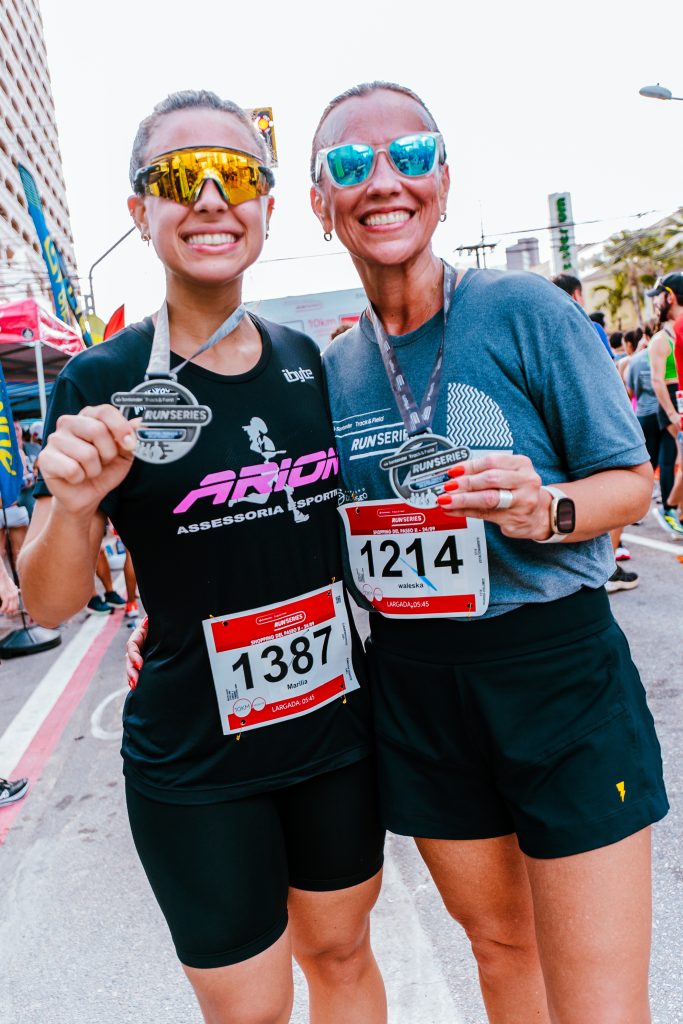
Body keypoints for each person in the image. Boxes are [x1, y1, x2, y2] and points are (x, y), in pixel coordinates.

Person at [19, 90, 385, 1024]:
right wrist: (72, 505)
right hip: (195, 760)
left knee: (342, 955)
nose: (213, 196)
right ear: (140, 212)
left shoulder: (314, 362)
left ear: (267, 206)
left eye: (238, 176)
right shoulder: (103, 384)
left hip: (331, 736)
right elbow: (52, 602)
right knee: (252, 1009)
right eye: (182, 178)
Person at [309, 80, 667, 1023]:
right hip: (419, 679)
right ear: (320, 203)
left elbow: (629, 481)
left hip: (553, 667)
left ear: (444, 181)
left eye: (411, 154)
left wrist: (543, 508)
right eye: (351, 163)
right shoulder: (336, 366)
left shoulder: (523, 312)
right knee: (503, 953)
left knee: (595, 1000)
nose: (384, 179)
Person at [646, 272, 683, 536]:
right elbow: (658, 380)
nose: (657, 302)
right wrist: (672, 414)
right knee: (671, 459)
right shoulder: (661, 339)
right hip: (671, 401)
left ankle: (673, 510)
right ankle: (669, 510)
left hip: (678, 399)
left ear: (670, 296)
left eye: (659, 296)